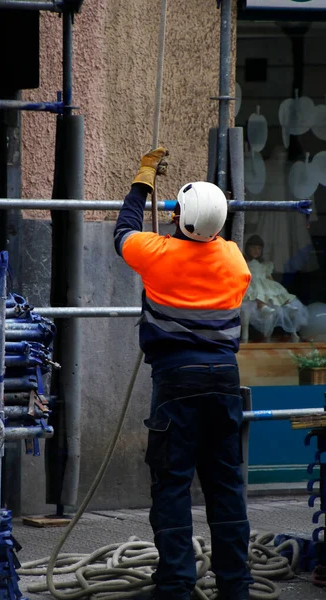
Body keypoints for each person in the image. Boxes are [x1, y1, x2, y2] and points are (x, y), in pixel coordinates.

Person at [114, 147, 254, 600]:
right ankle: (235, 587)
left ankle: (175, 585)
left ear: (179, 219)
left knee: (173, 486)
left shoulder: (156, 255)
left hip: (176, 381)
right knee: (226, 485)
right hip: (224, 381)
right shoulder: (236, 262)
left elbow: (122, 231)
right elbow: (206, 235)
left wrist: (142, 181)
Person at [242, 234, 308, 342]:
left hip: (263, 285)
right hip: (251, 285)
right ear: (248, 248)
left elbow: (269, 278)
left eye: (259, 248)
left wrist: (276, 289)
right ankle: (261, 306)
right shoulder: (245, 263)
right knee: (258, 288)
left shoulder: (265, 264)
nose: (256, 251)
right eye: (253, 247)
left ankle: (286, 305)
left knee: (276, 290)